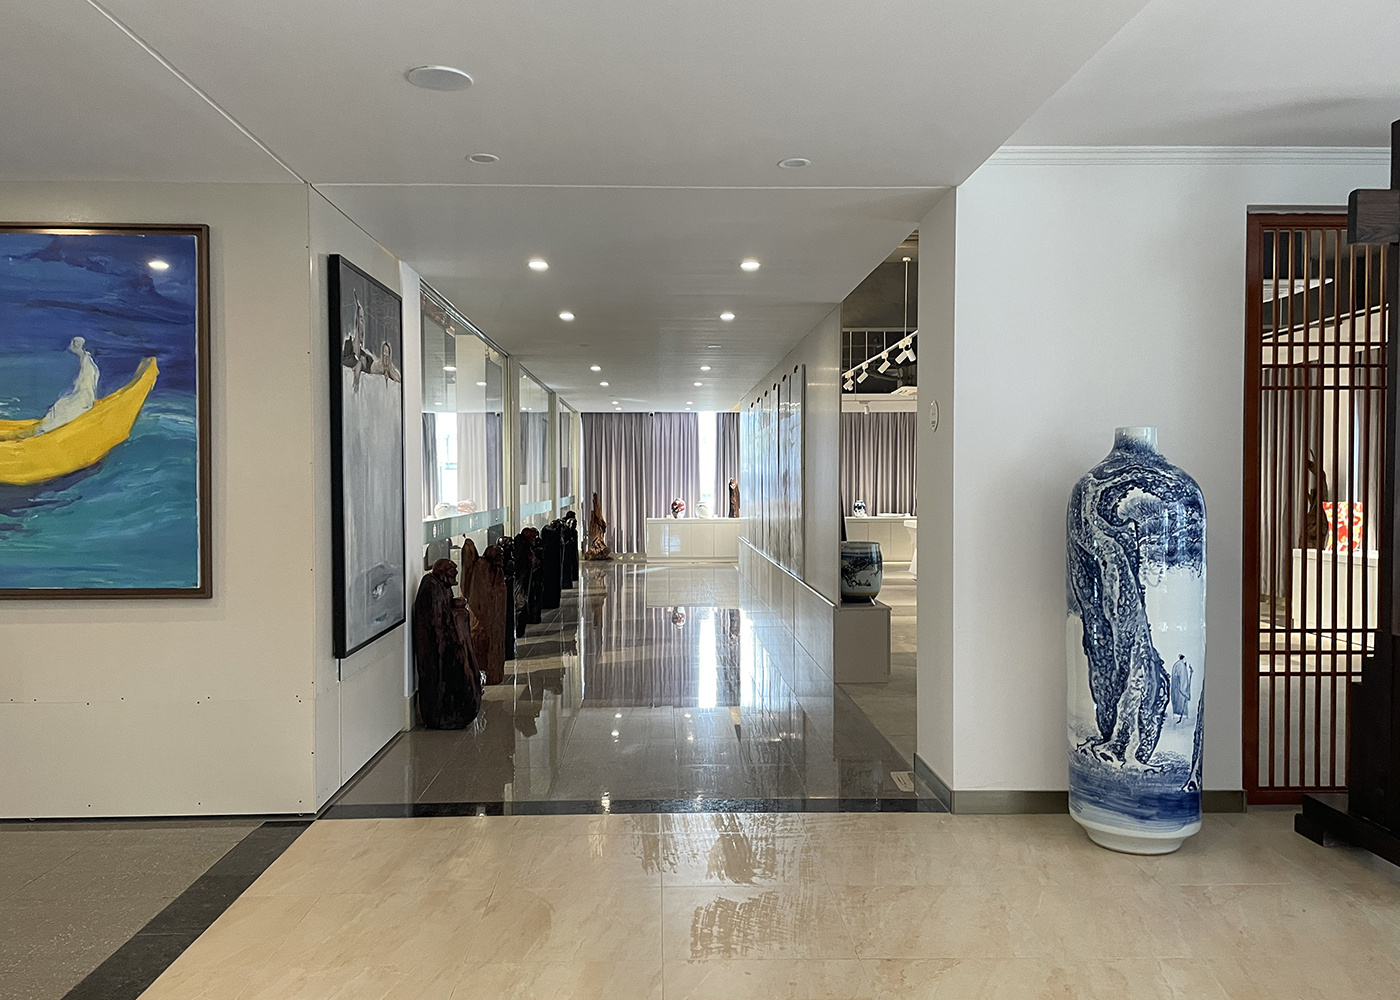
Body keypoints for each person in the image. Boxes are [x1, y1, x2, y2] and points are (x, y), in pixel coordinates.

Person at [36, 337, 100, 434]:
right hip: (81, 395)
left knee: (64, 407)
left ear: (77, 346)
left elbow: (87, 388)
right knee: (61, 404)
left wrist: (76, 396)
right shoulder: (85, 360)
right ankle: (45, 427)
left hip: (84, 398)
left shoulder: (87, 364)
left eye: (72, 344)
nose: (70, 346)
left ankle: (47, 429)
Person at [1170, 654, 1193, 724]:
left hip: (1175, 692)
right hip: (1180, 694)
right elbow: (1183, 682)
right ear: (1183, 658)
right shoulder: (1181, 666)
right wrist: (1186, 694)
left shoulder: (1176, 665)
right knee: (1181, 710)